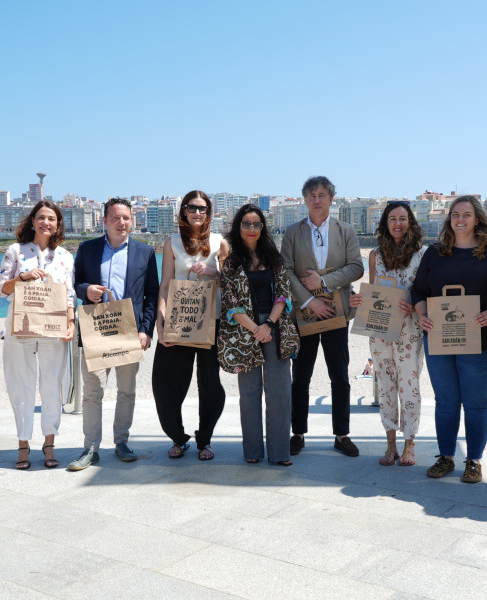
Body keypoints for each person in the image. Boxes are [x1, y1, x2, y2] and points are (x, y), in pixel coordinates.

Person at [411, 196, 487, 482]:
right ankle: (446, 457)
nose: (460, 219)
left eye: (466, 214)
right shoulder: (435, 252)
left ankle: (474, 460)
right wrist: (422, 315)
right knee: (446, 401)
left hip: (482, 339)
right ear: (449, 219)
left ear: (477, 219)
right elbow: (418, 291)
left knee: (476, 402)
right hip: (439, 336)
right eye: (455, 214)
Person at [68, 197, 159, 470]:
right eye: (116, 218)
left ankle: (121, 442)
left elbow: (152, 293)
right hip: (95, 328)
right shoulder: (87, 249)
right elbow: (74, 283)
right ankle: (90, 448)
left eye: (126, 218)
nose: (122, 223)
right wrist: (86, 290)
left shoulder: (145, 251)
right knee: (92, 392)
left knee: (126, 391)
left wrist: (146, 330)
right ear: (104, 220)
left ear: (132, 220)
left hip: (129, 330)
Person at [281, 176, 364, 457]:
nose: (317, 200)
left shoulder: (346, 230)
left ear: (331, 199)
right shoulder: (292, 232)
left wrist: (324, 283)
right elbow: (285, 271)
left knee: (339, 376)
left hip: (337, 313)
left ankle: (342, 434)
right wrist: (310, 301)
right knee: (300, 377)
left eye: (322, 195)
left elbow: (356, 267)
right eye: (312, 196)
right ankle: (298, 433)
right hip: (304, 314)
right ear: (305, 200)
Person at [218, 205, 300, 465]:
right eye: (246, 223)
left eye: (256, 224)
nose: (251, 229)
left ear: (263, 228)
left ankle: (280, 453)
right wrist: (255, 328)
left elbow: (284, 294)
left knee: (280, 393)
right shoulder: (231, 263)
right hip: (244, 331)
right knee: (249, 394)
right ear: (238, 227)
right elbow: (230, 303)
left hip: (275, 329)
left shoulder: (274, 258)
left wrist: (268, 325)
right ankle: (252, 452)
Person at [0, 200, 76, 470]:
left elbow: (69, 294)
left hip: (53, 328)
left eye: (51, 219)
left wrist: (71, 322)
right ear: (32, 221)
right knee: (21, 385)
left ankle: (49, 442)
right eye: (41, 217)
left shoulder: (65, 256)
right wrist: (23, 278)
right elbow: (1, 289)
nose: (46, 223)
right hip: (20, 327)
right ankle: (23, 444)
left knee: (52, 384)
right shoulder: (15, 250)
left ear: (57, 224)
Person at [153, 191, 228, 461]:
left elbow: (231, 282)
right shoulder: (171, 242)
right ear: (183, 210)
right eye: (192, 207)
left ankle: (205, 440)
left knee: (210, 385)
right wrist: (160, 321)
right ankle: (178, 437)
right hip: (179, 317)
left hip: (211, 319)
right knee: (165, 383)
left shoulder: (220, 242)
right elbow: (165, 284)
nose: (197, 212)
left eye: (203, 208)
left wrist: (214, 272)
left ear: (209, 212)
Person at [349, 202, 426, 466]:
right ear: (385, 223)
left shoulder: (422, 254)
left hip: (410, 329)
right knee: (385, 386)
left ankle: (410, 444)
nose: (398, 223)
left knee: (409, 386)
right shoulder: (375, 255)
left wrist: (413, 305)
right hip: (380, 329)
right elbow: (373, 289)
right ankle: (391, 445)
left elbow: (426, 291)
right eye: (392, 219)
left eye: (402, 218)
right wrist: (360, 301)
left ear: (410, 222)